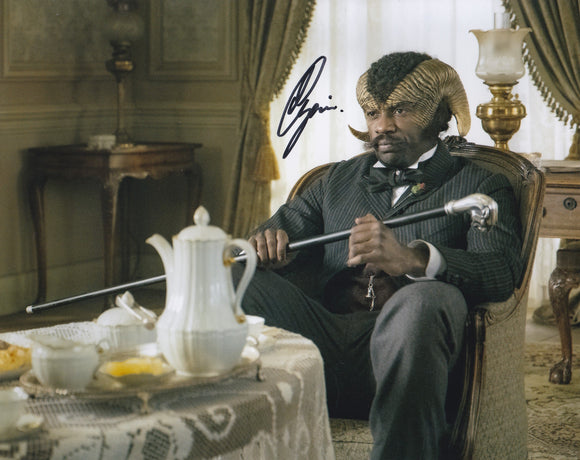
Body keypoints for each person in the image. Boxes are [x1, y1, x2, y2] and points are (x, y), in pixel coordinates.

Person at [236, 51, 522, 459]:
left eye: (400, 110)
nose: (382, 126)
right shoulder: (337, 179)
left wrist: (414, 260)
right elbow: (273, 235)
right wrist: (268, 247)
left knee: (425, 298)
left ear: (439, 114)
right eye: (373, 112)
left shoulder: (481, 185)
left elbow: (499, 273)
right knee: (234, 274)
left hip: (410, 350)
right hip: (323, 342)